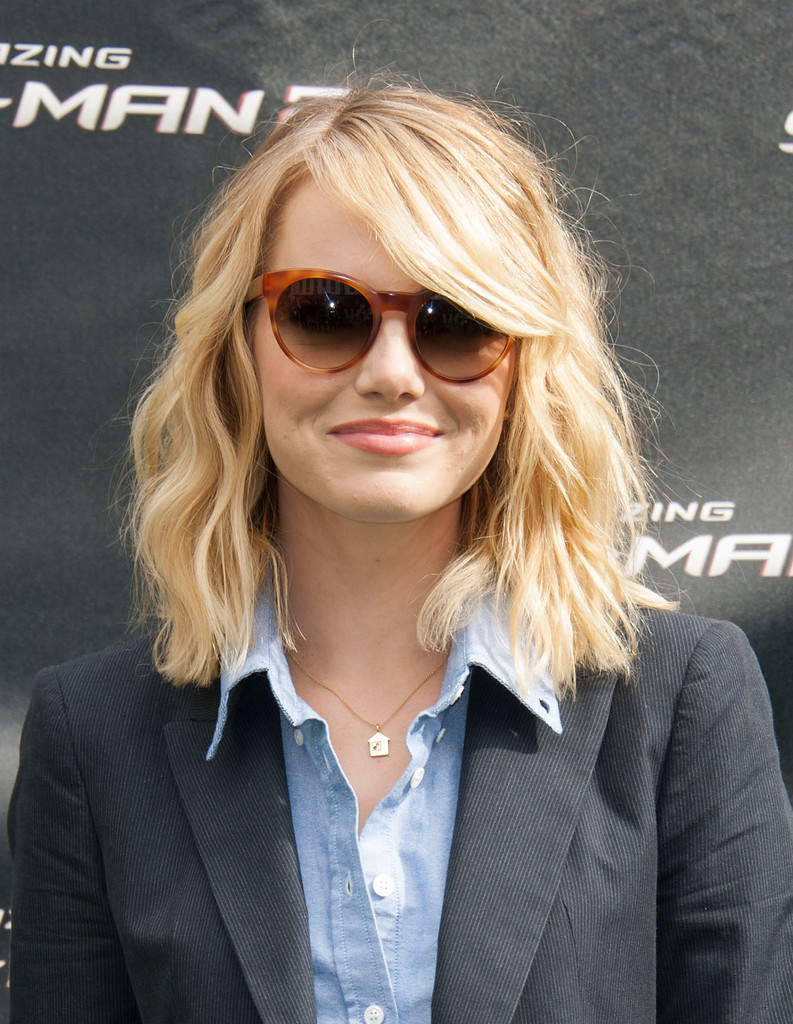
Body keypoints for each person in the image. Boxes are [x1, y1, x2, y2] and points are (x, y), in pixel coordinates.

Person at [7, 82, 793, 1024]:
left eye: (453, 321)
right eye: (323, 312)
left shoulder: (679, 703)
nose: (390, 373)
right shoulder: (94, 735)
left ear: (524, 364)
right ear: (238, 349)